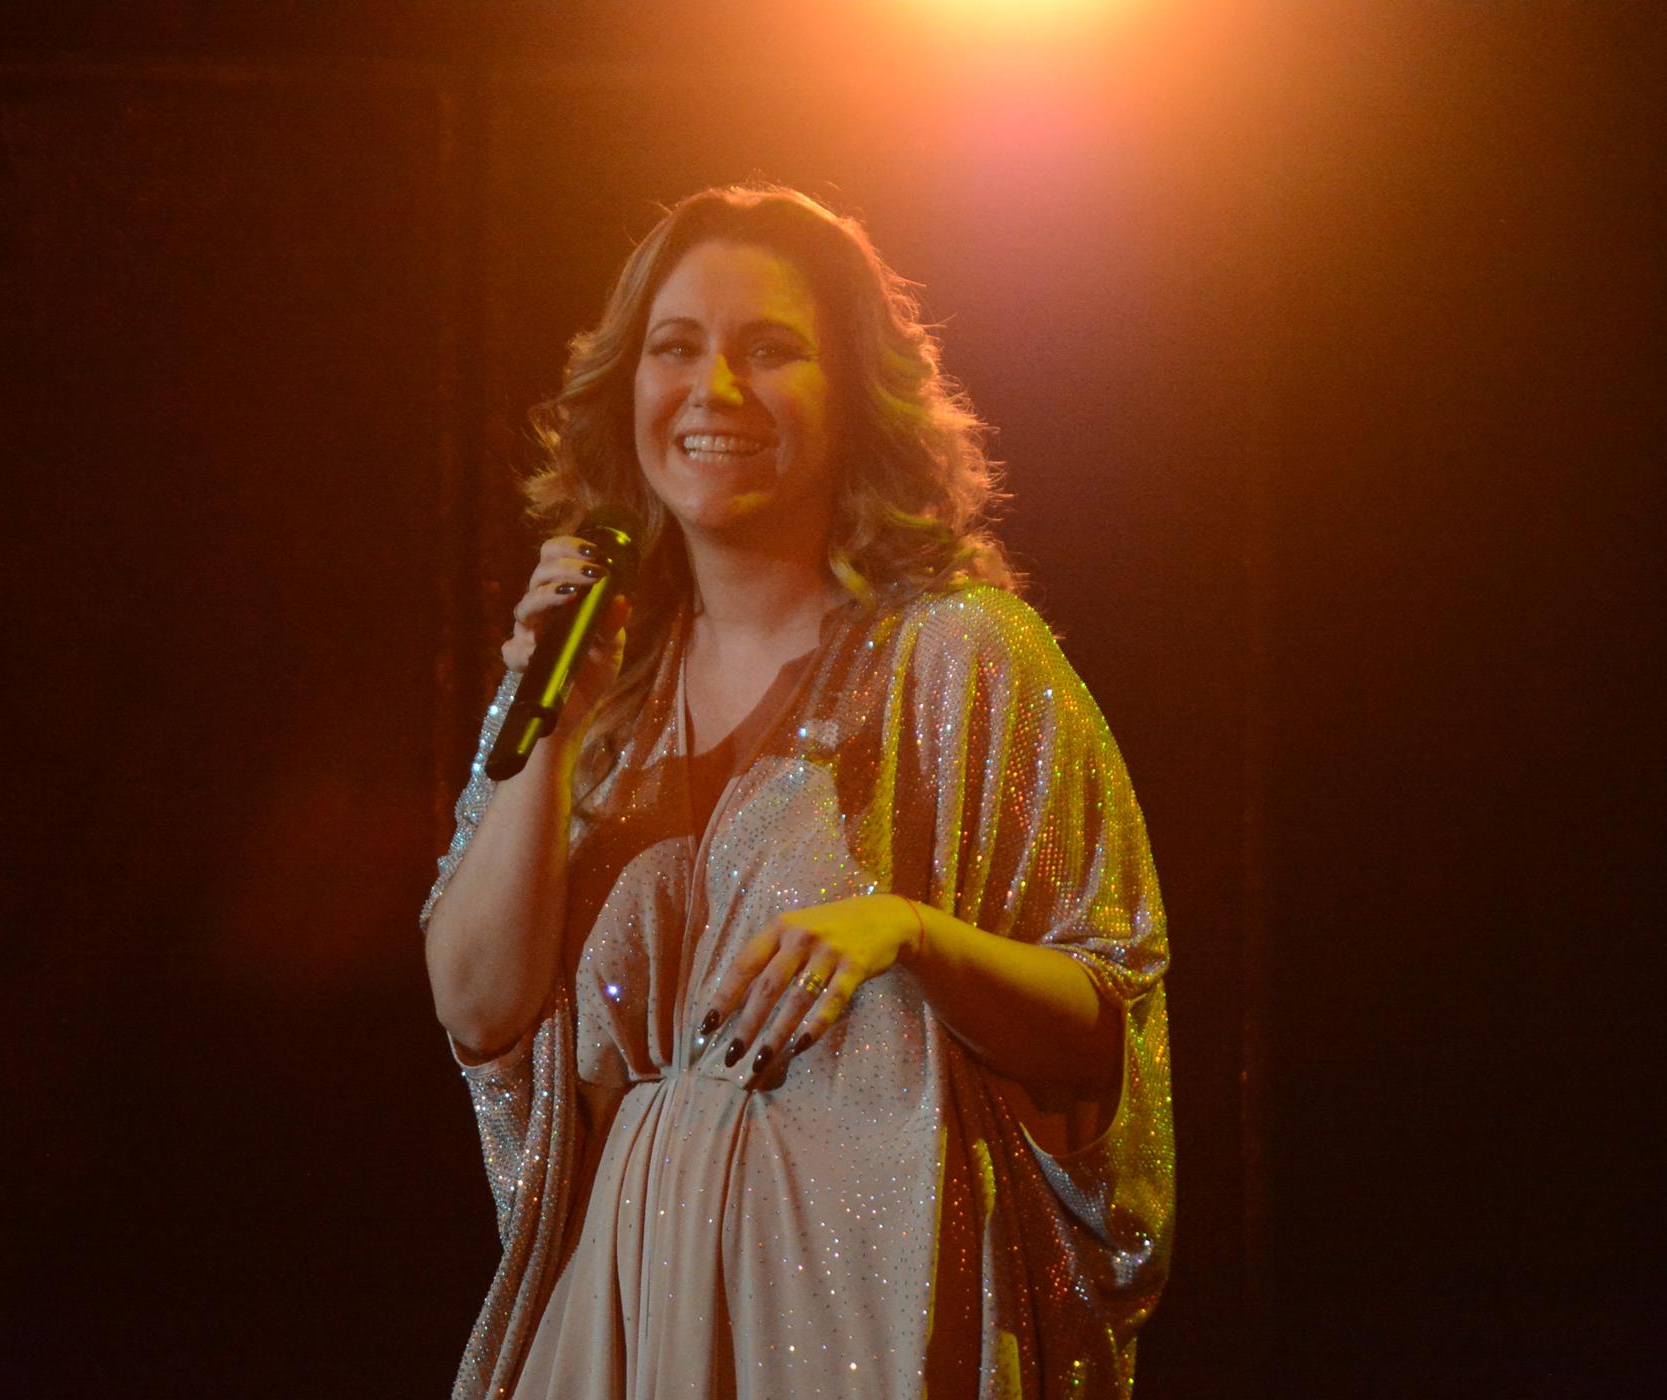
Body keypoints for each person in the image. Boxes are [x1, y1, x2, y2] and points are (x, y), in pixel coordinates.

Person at [421, 184, 1171, 1400]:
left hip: (864, 1303)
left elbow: (1103, 1027)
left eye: (769, 349)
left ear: (854, 393)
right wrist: (551, 728)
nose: (713, 388)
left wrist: (910, 932)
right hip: (620, 1310)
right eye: (676, 347)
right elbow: (476, 1008)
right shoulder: (591, 691)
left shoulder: (962, 653)